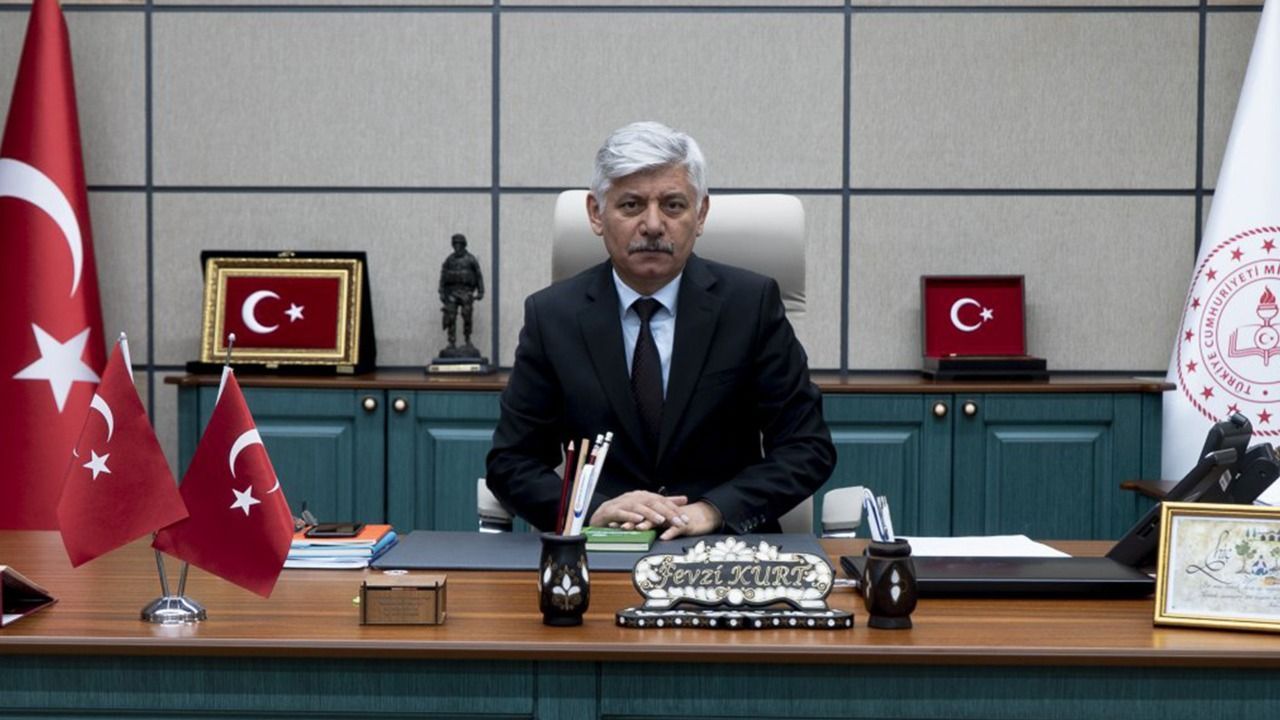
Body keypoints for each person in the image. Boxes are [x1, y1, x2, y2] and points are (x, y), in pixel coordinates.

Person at [485, 121, 835, 540]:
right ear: (596, 213)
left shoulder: (750, 306)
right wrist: (592, 510)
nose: (652, 225)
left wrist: (714, 510)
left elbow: (807, 447)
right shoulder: (552, 316)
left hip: (723, 552)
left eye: (672, 205)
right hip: (601, 548)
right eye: (631, 205)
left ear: (700, 214)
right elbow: (511, 463)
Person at [438, 233, 484, 356]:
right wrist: (441, 292)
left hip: (466, 292)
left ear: (463, 245)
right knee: (451, 317)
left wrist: (481, 291)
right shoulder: (449, 260)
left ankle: (467, 339)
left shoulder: (471, 259)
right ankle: (451, 342)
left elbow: (478, 276)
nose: (457, 247)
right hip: (452, 292)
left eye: (459, 244)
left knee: (467, 315)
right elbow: (443, 277)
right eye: (455, 244)